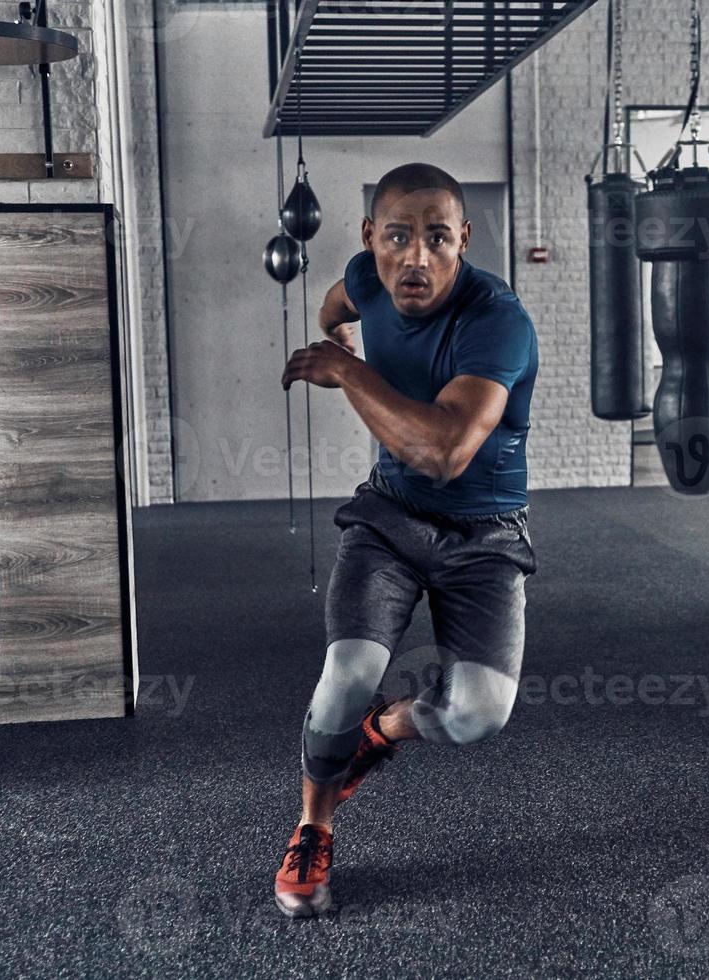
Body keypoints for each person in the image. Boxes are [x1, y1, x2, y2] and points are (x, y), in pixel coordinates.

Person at [275, 162, 540, 918]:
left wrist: (347, 373)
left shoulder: (498, 322)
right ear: (371, 239)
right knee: (348, 671)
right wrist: (342, 340)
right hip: (389, 516)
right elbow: (338, 304)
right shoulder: (366, 276)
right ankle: (312, 827)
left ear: (465, 238)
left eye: (436, 239)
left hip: (486, 533)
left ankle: (381, 731)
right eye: (398, 237)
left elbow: (445, 452)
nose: (415, 258)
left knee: (475, 716)